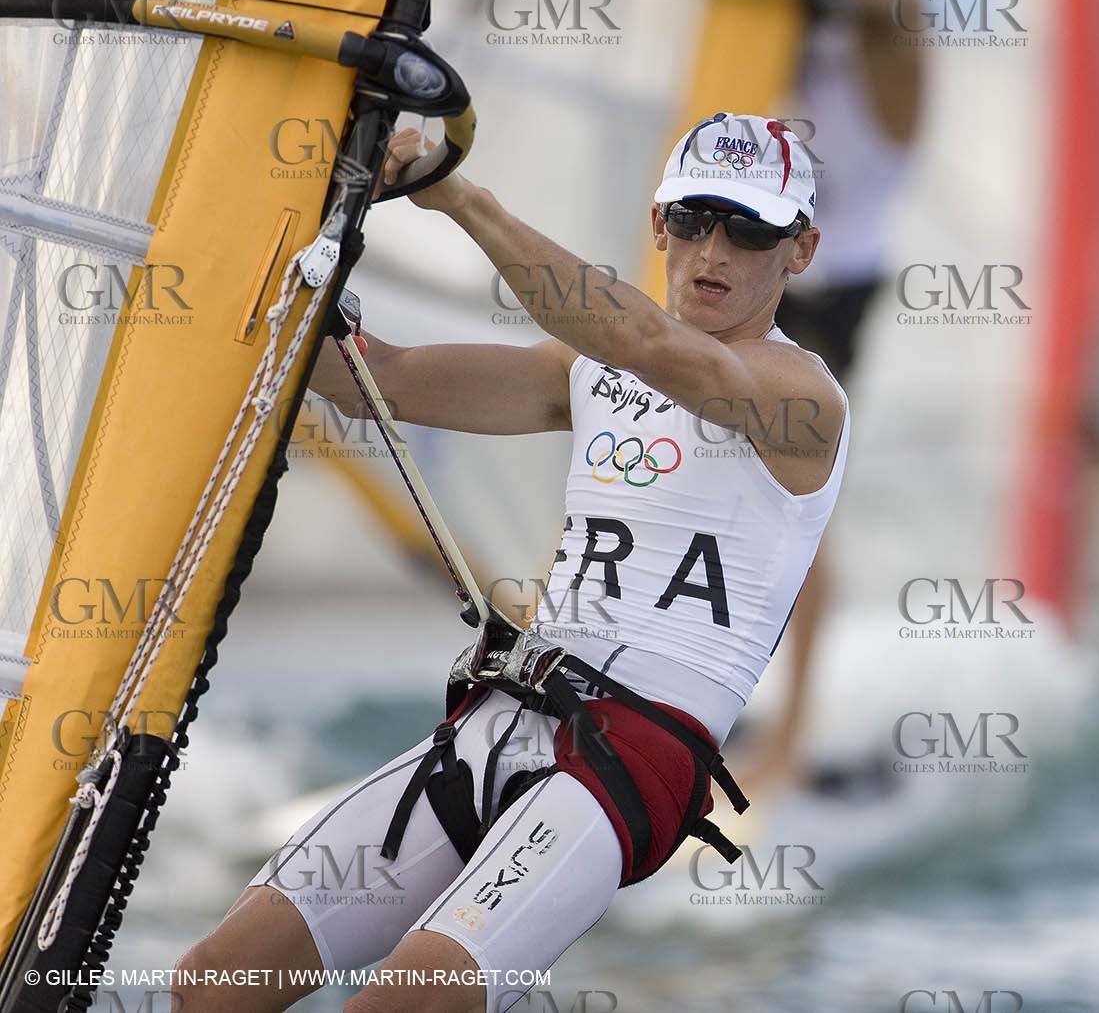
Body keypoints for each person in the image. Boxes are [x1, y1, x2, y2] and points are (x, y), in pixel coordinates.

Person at [172, 112, 848, 1013]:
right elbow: (389, 380)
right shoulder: (586, 371)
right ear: (660, 227)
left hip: (631, 762)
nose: (711, 248)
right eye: (690, 219)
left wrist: (457, 197)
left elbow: (649, 346)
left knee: (397, 1005)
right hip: (501, 720)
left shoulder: (804, 401)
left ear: (799, 250)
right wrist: (232, 269)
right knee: (214, 984)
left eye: (748, 228)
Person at [743, 0, 922, 788]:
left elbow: (892, 10)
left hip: (833, 286)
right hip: (758, 263)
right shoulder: (780, 7)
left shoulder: (889, 17)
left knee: (798, 497)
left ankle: (791, 734)